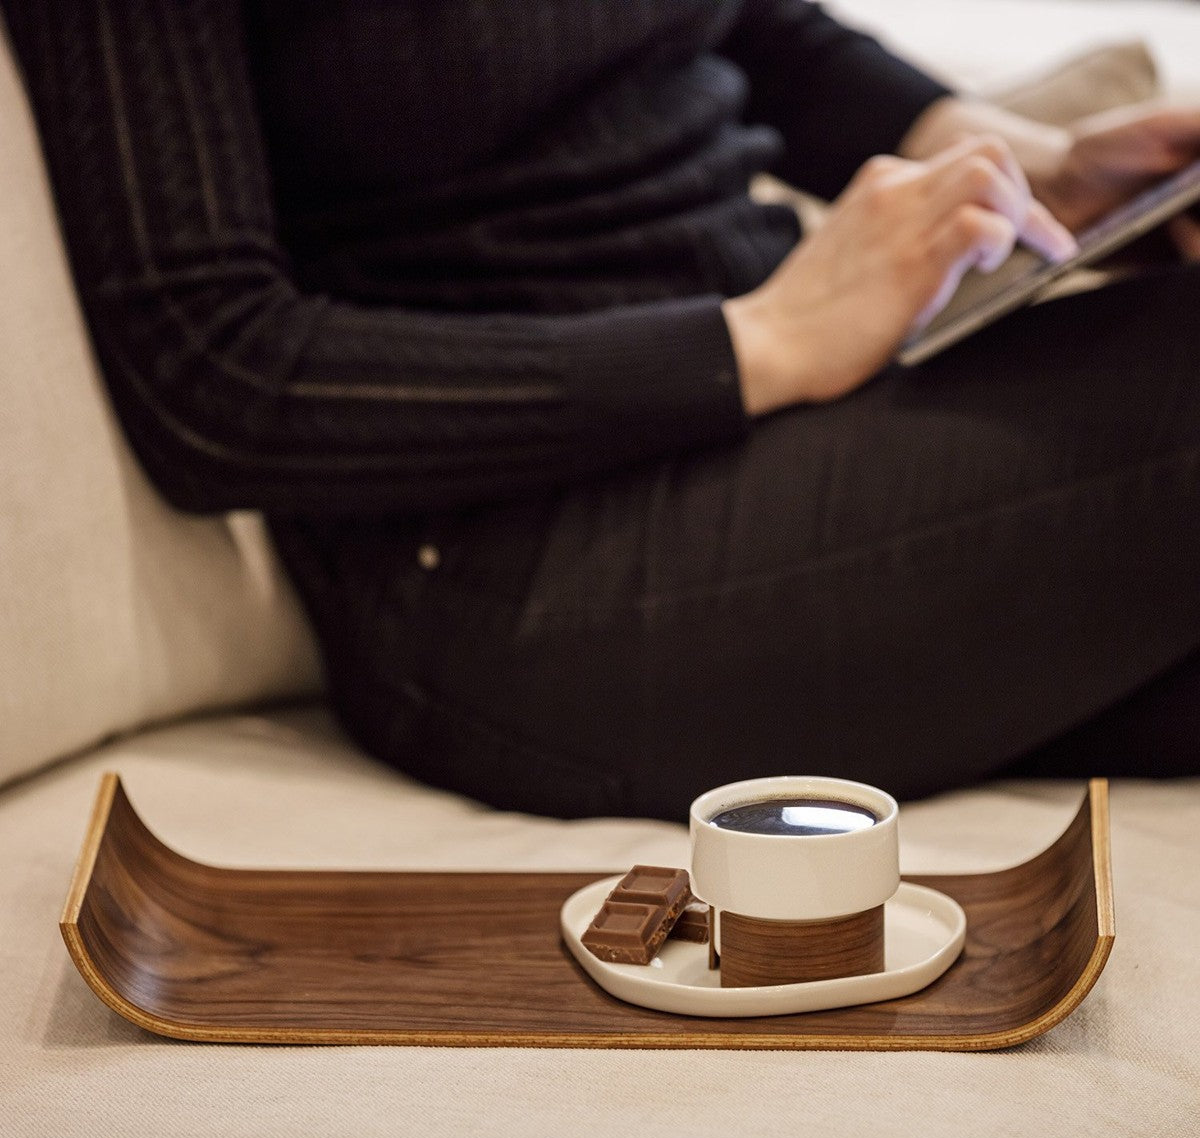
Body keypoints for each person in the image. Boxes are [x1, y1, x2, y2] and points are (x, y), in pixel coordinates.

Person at [6, 0, 1200, 819]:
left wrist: (1023, 162)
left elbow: (741, 27)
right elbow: (216, 379)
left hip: (793, 439)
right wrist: (758, 343)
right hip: (508, 567)